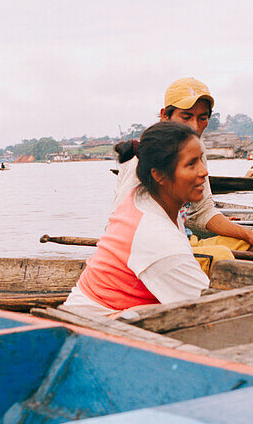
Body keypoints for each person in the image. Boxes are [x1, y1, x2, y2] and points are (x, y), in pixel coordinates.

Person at [113, 78, 253, 255]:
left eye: (202, 118)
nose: (194, 126)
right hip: (154, 251)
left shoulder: (195, 150)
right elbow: (120, 225)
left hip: (184, 241)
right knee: (222, 255)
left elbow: (203, 211)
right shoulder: (147, 156)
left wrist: (249, 235)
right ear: (165, 115)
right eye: (186, 117)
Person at [61, 122, 211, 315]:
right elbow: (209, 310)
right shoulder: (158, 237)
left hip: (88, 311)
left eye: (201, 160)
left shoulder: (144, 197)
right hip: (95, 328)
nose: (203, 171)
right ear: (158, 175)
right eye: (191, 164)